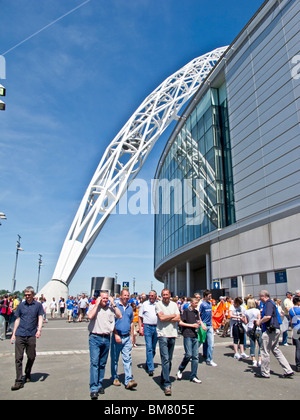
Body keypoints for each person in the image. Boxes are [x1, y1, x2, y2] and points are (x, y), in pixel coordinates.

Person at [87, 291, 122, 399]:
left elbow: (119, 316)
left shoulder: (111, 309)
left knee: (102, 363)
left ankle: (99, 384)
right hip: (95, 337)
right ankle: (93, 388)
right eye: (103, 298)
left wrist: (114, 303)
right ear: (99, 298)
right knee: (94, 363)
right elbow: (89, 316)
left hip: (106, 338)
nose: (105, 300)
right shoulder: (93, 306)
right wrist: (96, 304)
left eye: (107, 298)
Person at [10, 286, 44, 391]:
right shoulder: (21, 305)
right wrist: (13, 334)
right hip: (20, 334)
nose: (27, 297)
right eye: (25, 295)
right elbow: (17, 319)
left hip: (31, 334)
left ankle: (28, 371)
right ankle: (18, 381)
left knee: (31, 356)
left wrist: (39, 330)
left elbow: (40, 317)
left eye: (29, 295)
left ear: (33, 295)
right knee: (18, 358)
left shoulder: (38, 306)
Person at [255, 290, 294, 379]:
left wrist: (259, 321)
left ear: (264, 296)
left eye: (260, 297)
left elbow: (268, 316)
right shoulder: (271, 303)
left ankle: (265, 372)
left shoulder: (268, 304)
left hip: (270, 330)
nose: (259, 299)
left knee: (265, 351)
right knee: (276, 350)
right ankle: (288, 370)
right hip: (276, 329)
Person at [155, 288, 180, 396]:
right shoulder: (158, 305)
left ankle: (163, 376)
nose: (165, 296)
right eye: (163, 295)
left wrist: (167, 317)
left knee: (169, 359)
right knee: (165, 359)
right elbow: (161, 318)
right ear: (161, 295)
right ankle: (167, 383)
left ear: (170, 295)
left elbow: (178, 318)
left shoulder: (174, 305)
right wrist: (172, 316)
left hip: (172, 334)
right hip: (162, 334)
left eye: (167, 294)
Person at [111, 289, 137, 390]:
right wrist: (116, 334)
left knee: (127, 358)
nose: (126, 297)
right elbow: (111, 322)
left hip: (126, 337)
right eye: (124, 295)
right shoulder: (115, 307)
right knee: (115, 358)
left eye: (128, 295)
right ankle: (115, 377)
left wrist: (131, 335)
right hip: (117, 336)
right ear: (120, 296)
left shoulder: (130, 308)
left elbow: (131, 322)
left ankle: (128, 380)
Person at [177, 297, 204, 384]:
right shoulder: (186, 311)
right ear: (191, 303)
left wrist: (200, 324)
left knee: (195, 357)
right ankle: (181, 369)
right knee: (188, 354)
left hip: (195, 335)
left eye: (197, 303)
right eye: (196, 303)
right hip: (187, 335)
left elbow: (198, 320)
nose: (197, 304)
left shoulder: (196, 312)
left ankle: (193, 375)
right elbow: (180, 323)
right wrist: (192, 325)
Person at [138, 290, 158, 376]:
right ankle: (151, 368)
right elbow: (140, 316)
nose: (151, 297)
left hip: (156, 328)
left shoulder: (158, 305)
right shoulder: (144, 304)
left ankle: (148, 362)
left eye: (152, 295)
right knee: (149, 347)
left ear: (156, 296)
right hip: (147, 327)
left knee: (153, 349)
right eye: (150, 295)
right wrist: (140, 327)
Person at [199, 290, 217, 366]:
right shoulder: (202, 304)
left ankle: (209, 359)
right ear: (205, 296)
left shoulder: (210, 304)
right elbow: (198, 315)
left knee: (211, 344)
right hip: (203, 325)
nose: (210, 297)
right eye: (209, 296)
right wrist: (202, 324)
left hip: (210, 326)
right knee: (199, 342)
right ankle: (192, 355)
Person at [245, 298, 262, 366]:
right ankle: (260, 360)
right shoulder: (257, 310)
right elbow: (259, 319)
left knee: (252, 344)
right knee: (260, 344)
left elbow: (246, 321)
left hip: (250, 328)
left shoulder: (246, 311)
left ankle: (253, 359)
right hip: (257, 328)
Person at [289, 295, 300, 372]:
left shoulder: (291, 310)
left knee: (298, 348)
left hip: (296, 329)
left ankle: (298, 366)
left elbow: (291, 321)